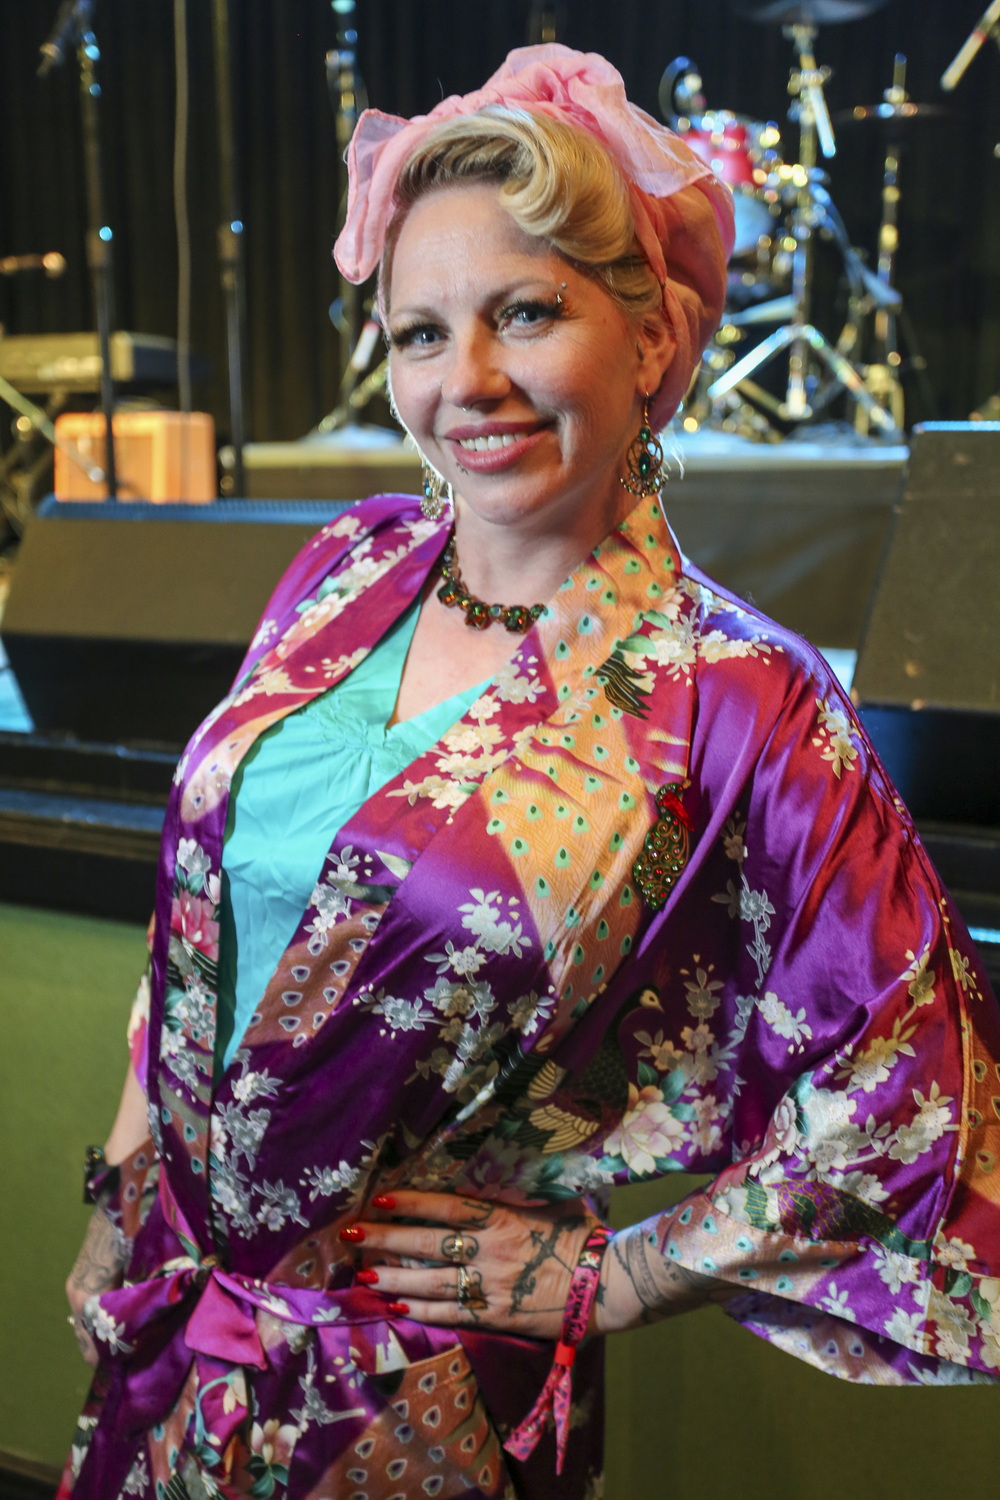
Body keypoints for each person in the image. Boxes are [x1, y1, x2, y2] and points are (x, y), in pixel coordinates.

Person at [61, 43, 1000, 1500]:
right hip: (172, 1329)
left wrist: (617, 1275)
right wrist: (123, 1184)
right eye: (420, 332)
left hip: (410, 1407)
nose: (469, 382)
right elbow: (203, 916)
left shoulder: (739, 698)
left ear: (653, 335)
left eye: (527, 313)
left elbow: (920, 1101)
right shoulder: (343, 568)